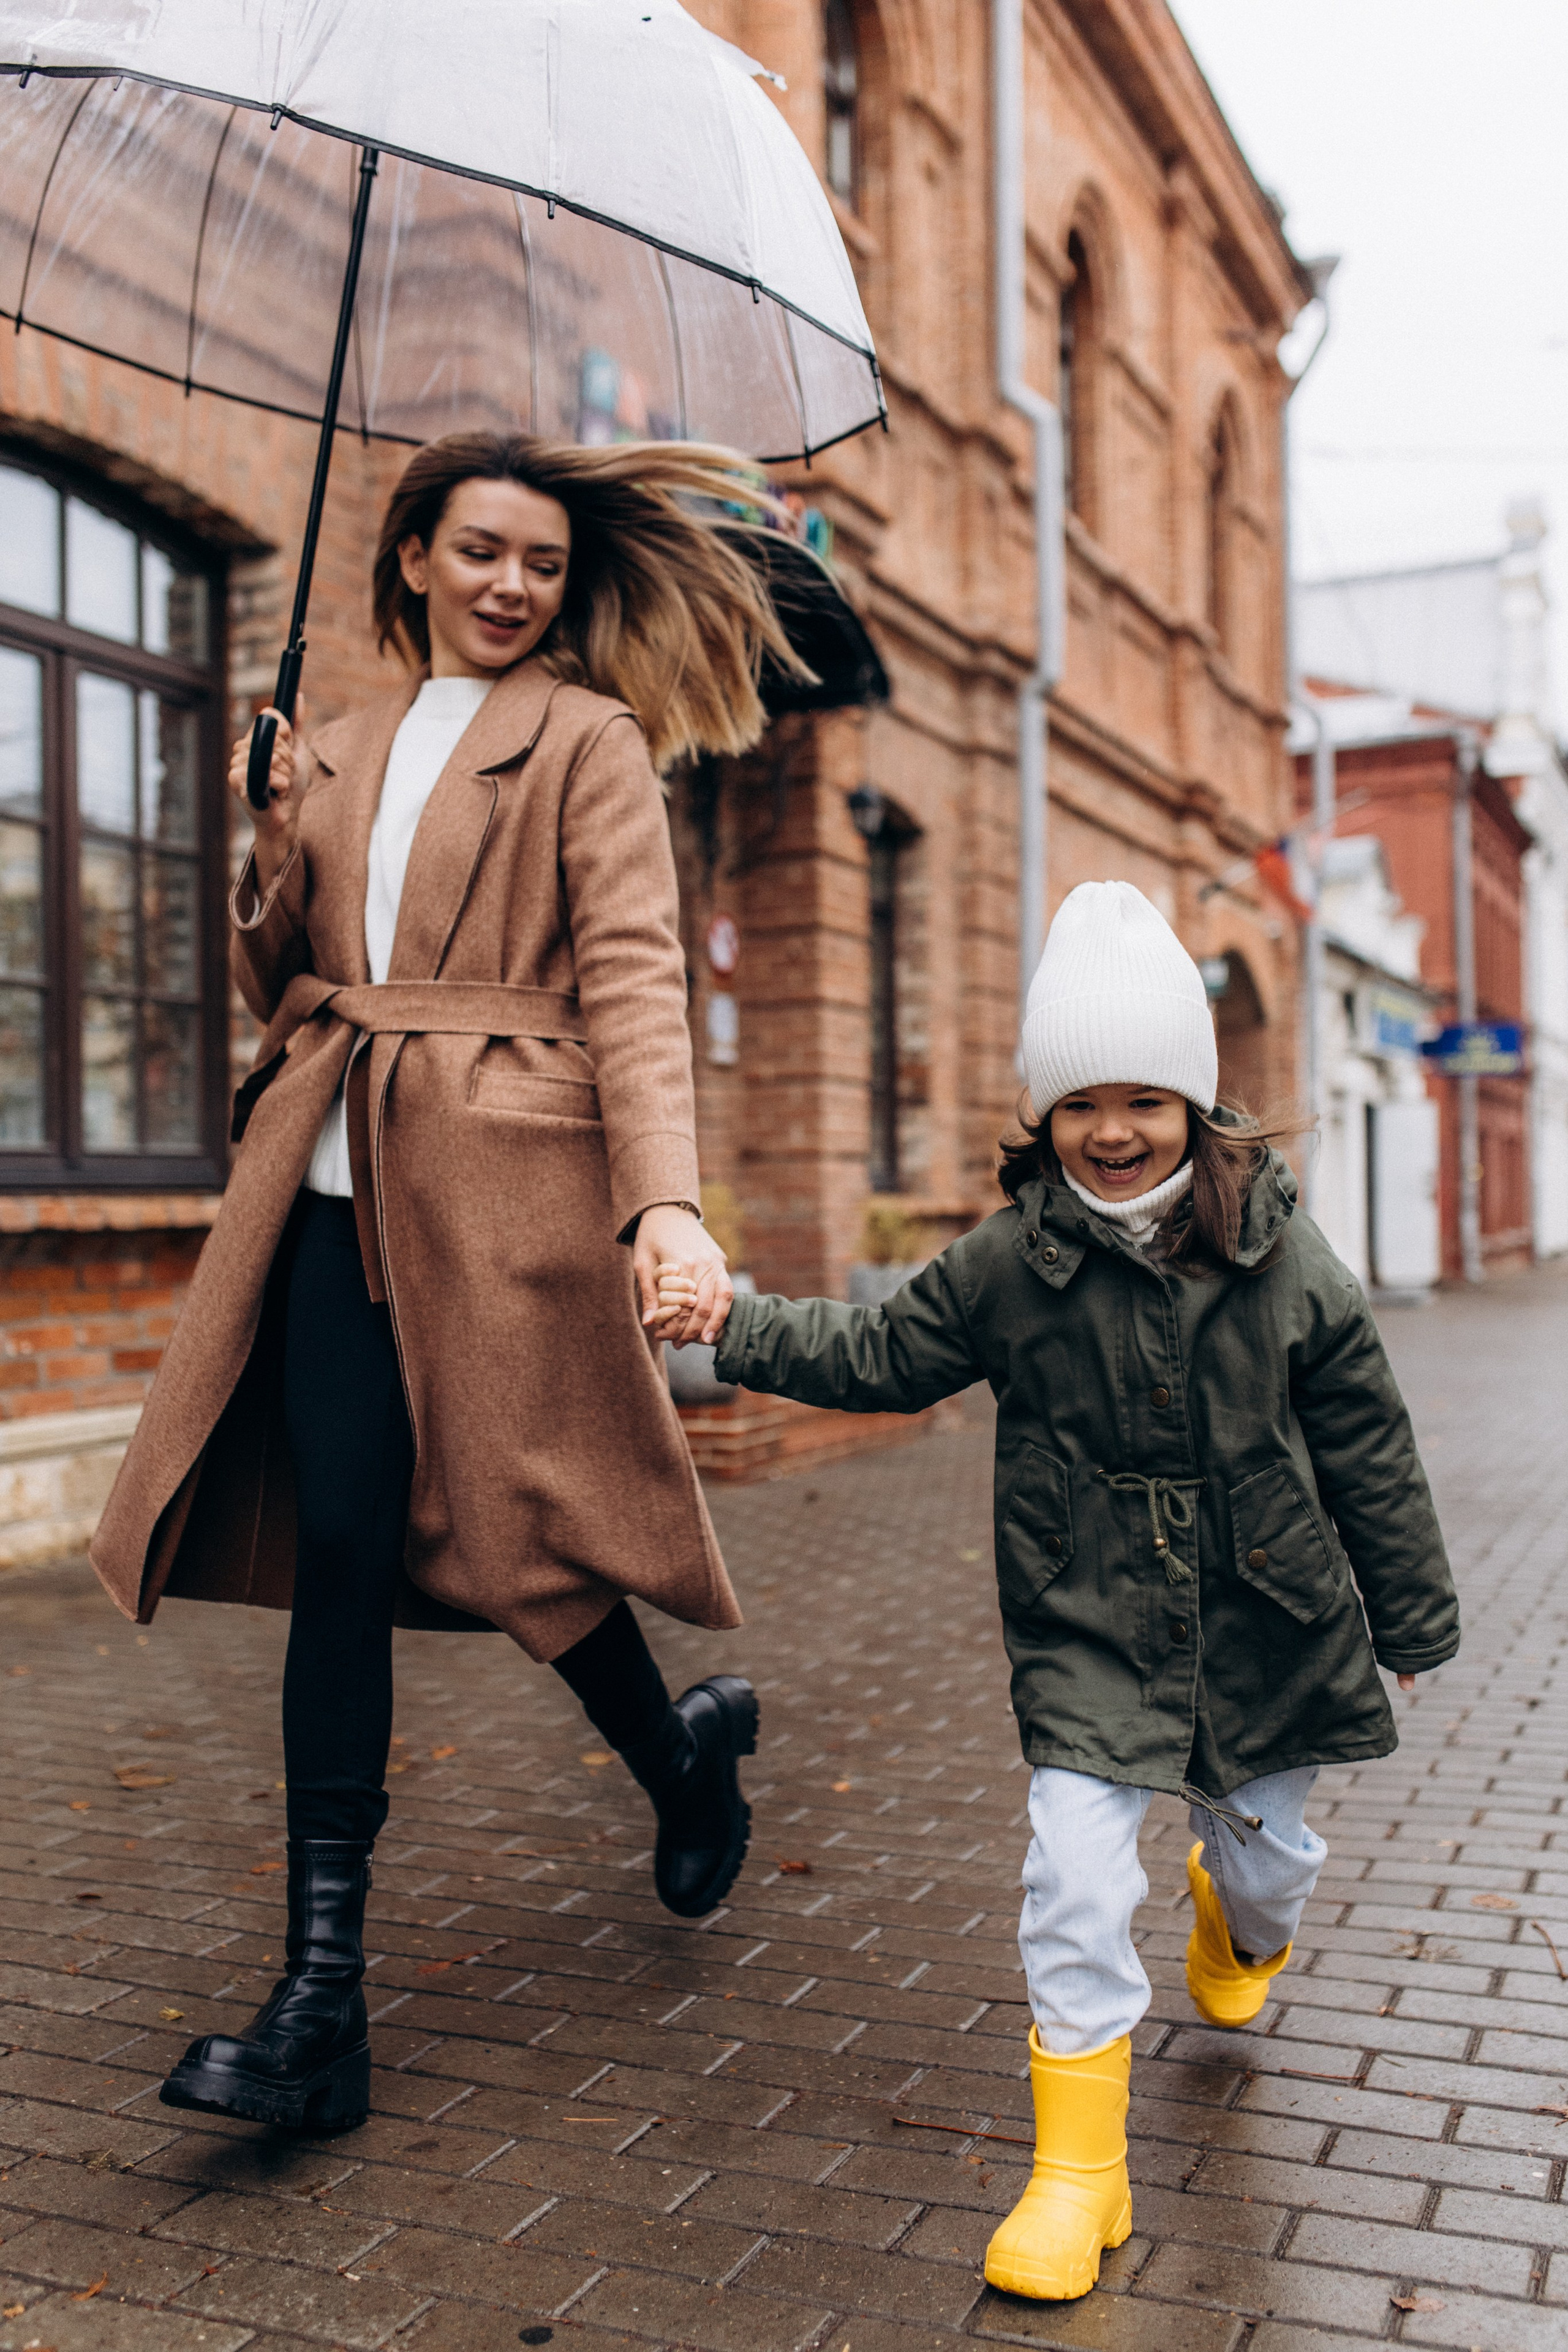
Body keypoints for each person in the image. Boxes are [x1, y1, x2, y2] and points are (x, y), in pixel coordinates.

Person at [89, 432, 802, 2137]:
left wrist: (664, 1205)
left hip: (503, 1197)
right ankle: (318, 1998)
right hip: (330, 1191)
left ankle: (679, 1761)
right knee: (345, 1547)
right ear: (411, 553)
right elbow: (282, 982)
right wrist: (272, 834)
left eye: (541, 564)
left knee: (517, 1535)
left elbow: (633, 981)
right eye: (480, 551)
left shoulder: (586, 740)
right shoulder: (333, 740)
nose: (510, 586)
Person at [655, 880, 1460, 2304]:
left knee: (1266, 1867)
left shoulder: (1277, 1251)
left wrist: (1409, 1613)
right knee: (1071, 1884)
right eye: (1079, 1102)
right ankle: (1078, 2174)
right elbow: (877, 1355)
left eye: (1143, 1097)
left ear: (1192, 1103)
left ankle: (1235, 1918)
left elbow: (1365, 1440)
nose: (1112, 1129)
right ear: (1043, 1115)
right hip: (1087, 1620)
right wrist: (734, 1323)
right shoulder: (1005, 1267)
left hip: (1267, 1620)